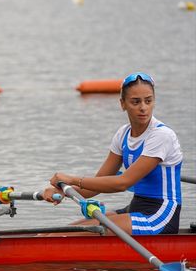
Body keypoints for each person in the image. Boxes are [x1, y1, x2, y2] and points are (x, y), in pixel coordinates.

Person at [44, 72, 183, 235]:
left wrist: (71, 179)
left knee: (64, 236)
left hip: (161, 215)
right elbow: (94, 187)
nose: (143, 107)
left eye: (148, 101)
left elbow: (122, 183)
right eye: (135, 102)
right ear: (123, 104)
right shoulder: (123, 134)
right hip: (136, 207)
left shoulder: (161, 136)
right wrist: (62, 191)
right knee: (55, 233)